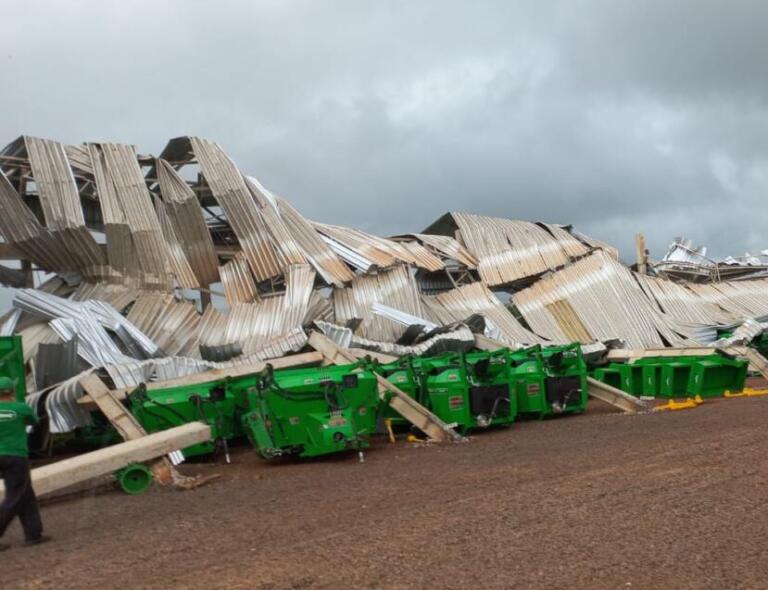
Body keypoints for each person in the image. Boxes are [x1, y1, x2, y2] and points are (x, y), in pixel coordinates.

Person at [0, 376, 48, 550]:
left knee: (25, 493)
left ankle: (33, 533)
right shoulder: (21, 408)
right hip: (16, 456)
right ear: (12, 391)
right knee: (14, 497)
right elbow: (34, 422)